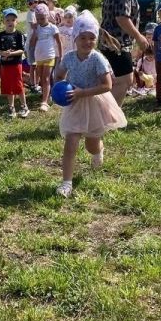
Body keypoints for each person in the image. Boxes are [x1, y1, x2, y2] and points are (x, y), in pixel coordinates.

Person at [54, 14, 127, 198]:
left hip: (94, 102)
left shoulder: (97, 59)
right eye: (83, 38)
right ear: (75, 38)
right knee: (71, 142)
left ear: (97, 38)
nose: (87, 42)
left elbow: (107, 85)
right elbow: (59, 74)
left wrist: (81, 92)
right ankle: (66, 183)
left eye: (92, 38)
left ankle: (98, 152)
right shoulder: (69, 57)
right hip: (75, 104)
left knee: (91, 145)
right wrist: (60, 88)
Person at [100, 0, 149, 107]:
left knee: (116, 80)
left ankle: (107, 114)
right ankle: (110, 117)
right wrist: (139, 37)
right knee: (125, 81)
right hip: (117, 43)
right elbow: (122, 18)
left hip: (107, 40)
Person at [0, 7, 29, 119]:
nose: (10, 22)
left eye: (13, 20)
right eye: (8, 20)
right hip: (5, 65)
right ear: (4, 22)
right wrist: (3, 53)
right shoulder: (0, 35)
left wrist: (11, 54)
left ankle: (24, 106)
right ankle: (11, 108)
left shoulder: (19, 35)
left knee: (18, 85)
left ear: (17, 21)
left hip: (16, 64)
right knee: (8, 86)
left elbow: (22, 50)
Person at [30, 2, 62, 112]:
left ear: (47, 16)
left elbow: (59, 42)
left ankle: (44, 102)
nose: (40, 21)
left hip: (50, 55)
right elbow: (32, 44)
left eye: (42, 19)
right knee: (41, 78)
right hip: (39, 57)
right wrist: (34, 30)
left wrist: (60, 56)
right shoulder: (37, 28)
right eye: (38, 19)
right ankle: (46, 96)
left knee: (46, 78)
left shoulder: (53, 28)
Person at [24, 0, 41, 93]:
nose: (33, 4)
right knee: (33, 65)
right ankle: (33, 84)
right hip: (31, 43)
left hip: (37, 42)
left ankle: (36, 83)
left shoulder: (37, 12)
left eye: (35, 2)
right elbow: (34, 26)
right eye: (30, 3)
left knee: (37, 64)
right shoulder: (30, 14)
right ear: (27, 4)